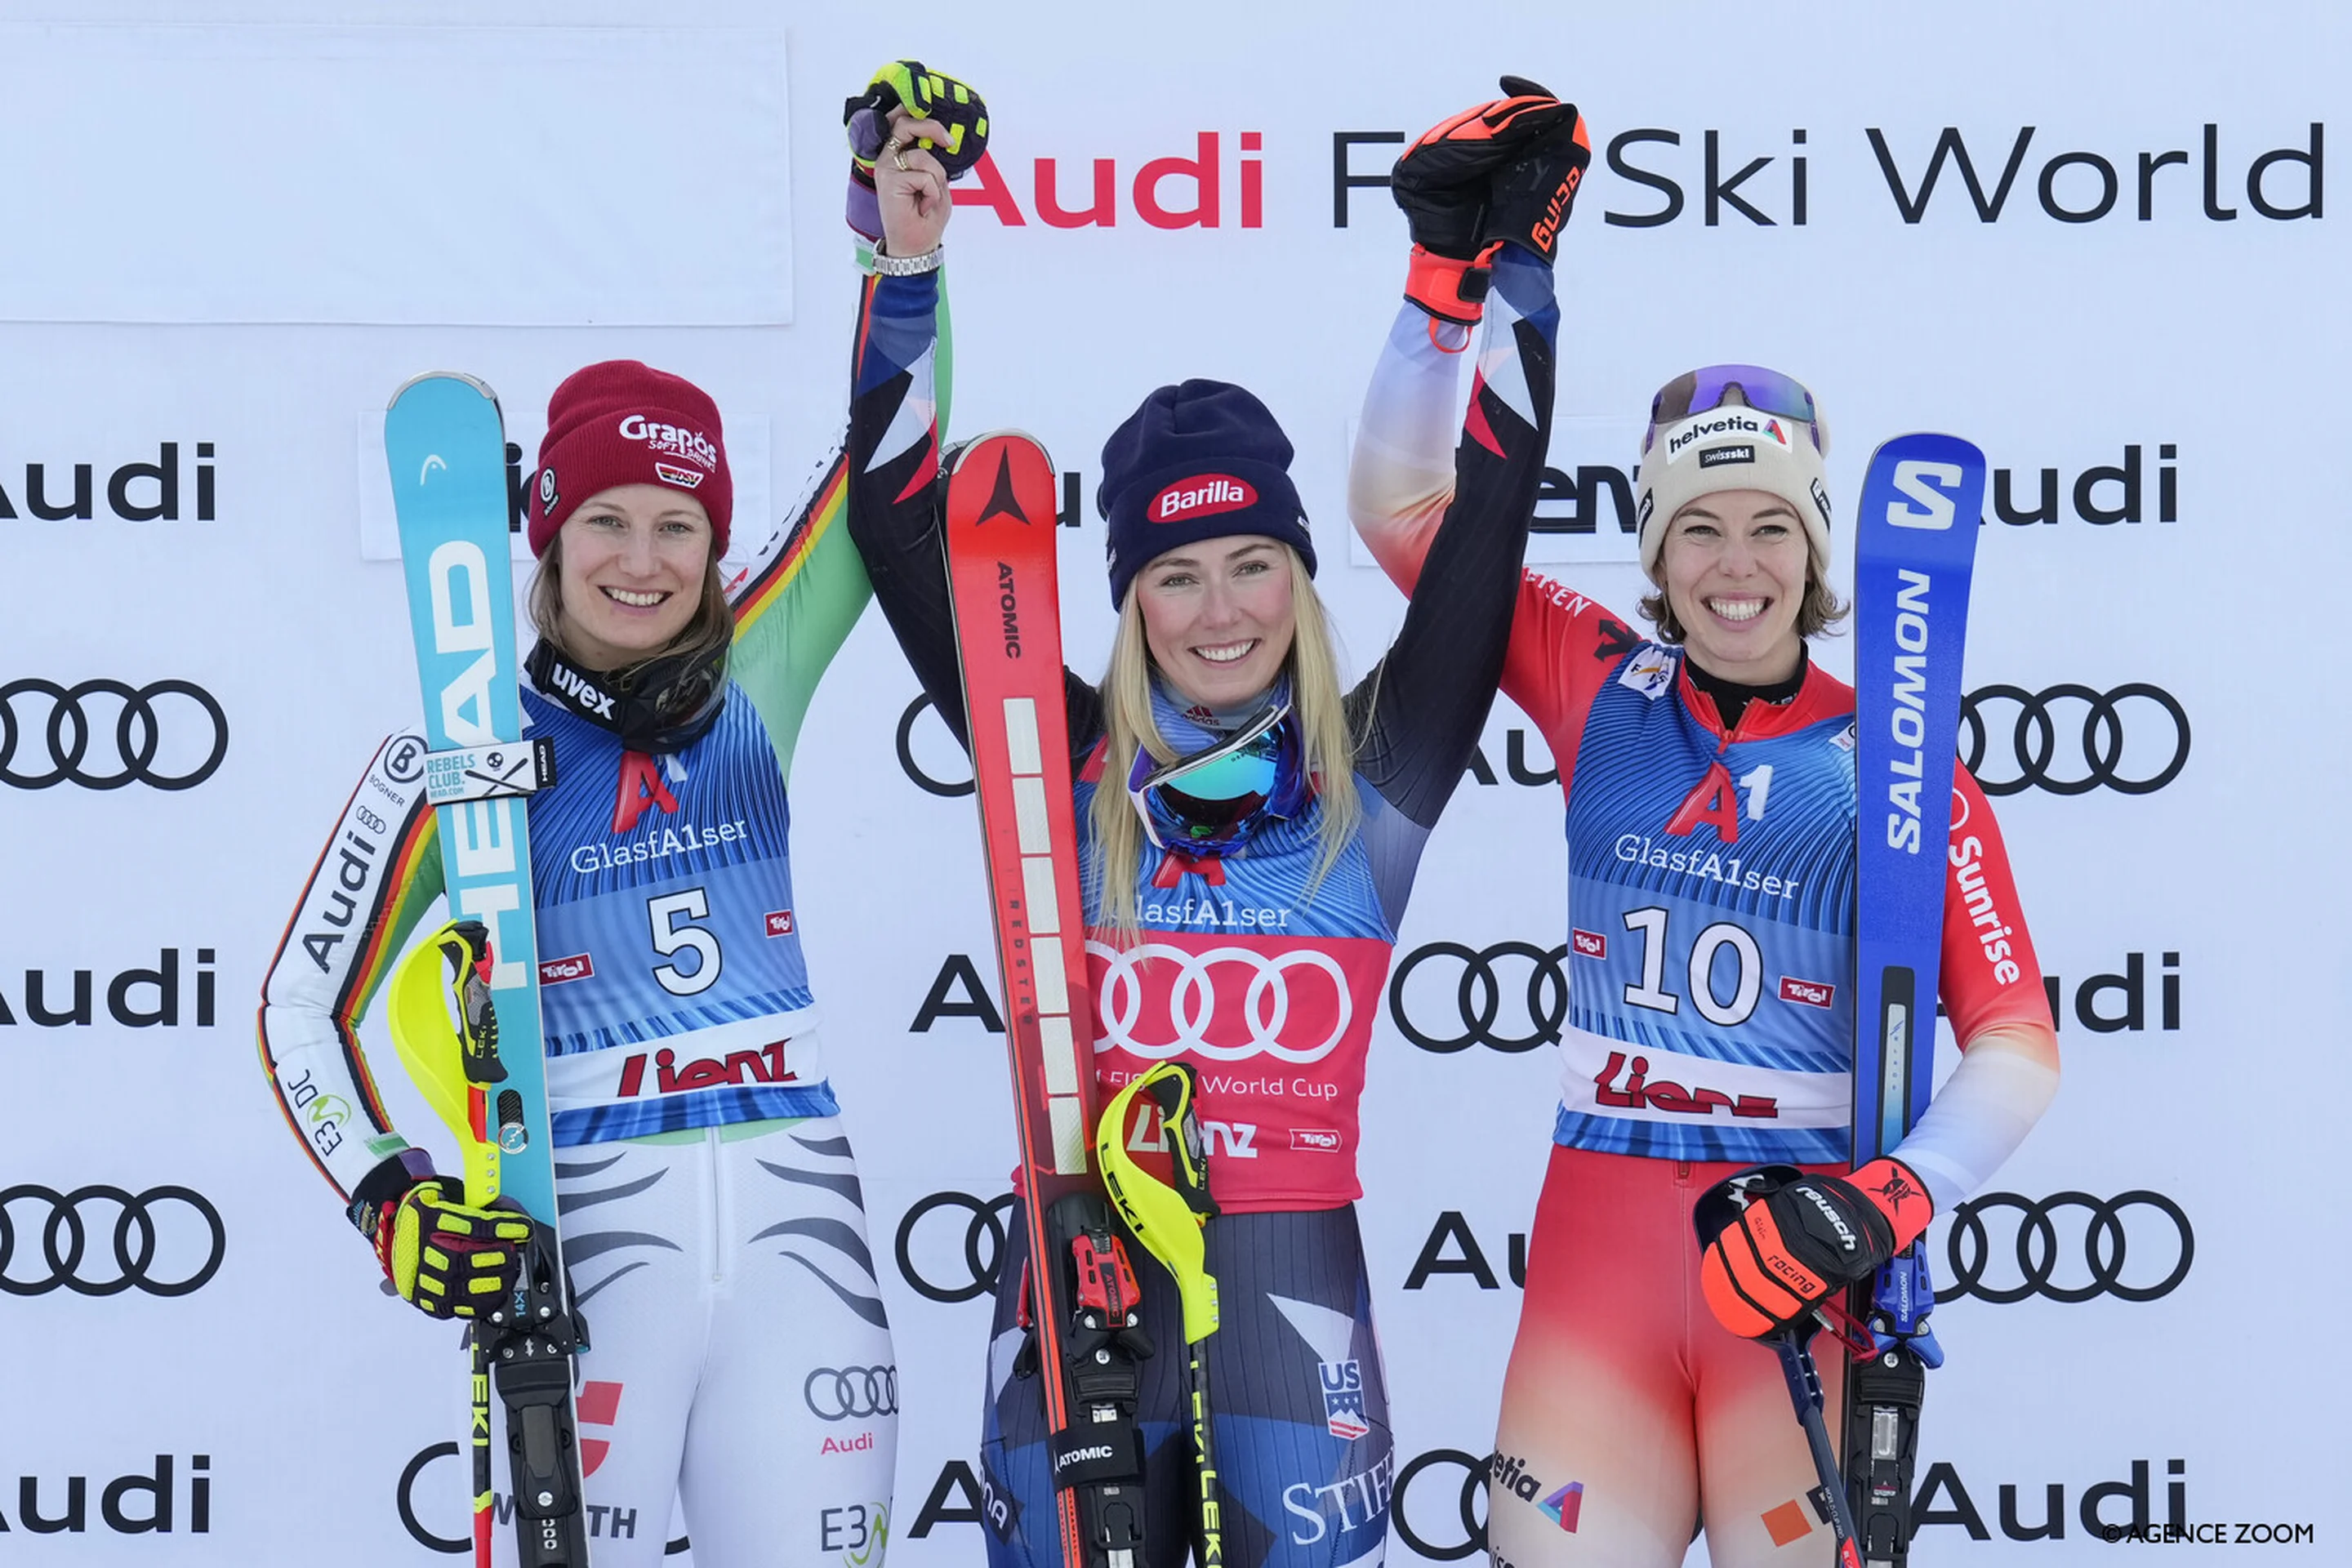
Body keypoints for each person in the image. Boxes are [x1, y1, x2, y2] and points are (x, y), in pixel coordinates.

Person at [844, 83, 1587, 1568]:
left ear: (1302, 584)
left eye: (1255, 563)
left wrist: (1505, 279)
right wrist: (901, 270)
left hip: (1288, 1284)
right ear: (1127, 604)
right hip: (1071, 1273)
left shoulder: (1379, 764)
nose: (1221, 610)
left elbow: (1491, 523)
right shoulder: (1045, 751)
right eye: (1174, 576)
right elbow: (890, 520)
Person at [1351, 338, 2064, 1560]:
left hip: (1794, 1285)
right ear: (1654, 556)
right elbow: (1401, 510)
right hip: (1598, 1283)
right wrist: (1441, 297)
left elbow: (2017, 1040)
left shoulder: (1899, 768)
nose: (1738, 567)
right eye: (1698, 530)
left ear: (1817, 549)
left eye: (1772, 528)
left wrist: (1893, 1197)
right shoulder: (1598, 682)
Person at [258, 359, 893, 1566]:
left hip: (799, 1231)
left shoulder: (761, 670)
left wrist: (899, 248)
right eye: (605, 519)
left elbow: (881, 456)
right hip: (581, 1246)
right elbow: (300, 1007)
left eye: (678, 525)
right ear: (548, 532)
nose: (641, 560)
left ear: (715, 544)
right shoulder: (456, 748)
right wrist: (388, 1199)